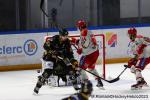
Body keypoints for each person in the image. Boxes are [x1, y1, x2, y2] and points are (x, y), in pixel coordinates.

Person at [33, 29, 80, 94]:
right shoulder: (54, 39)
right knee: (47, 72)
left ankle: (76, 87)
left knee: (71, 69)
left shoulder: (67, 42)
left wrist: (73, 61)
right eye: (64, 36)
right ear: (60, 36)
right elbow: (45, 45)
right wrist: (51, 51)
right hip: (51, 57)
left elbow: (70, 54)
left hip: (62, 58)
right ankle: (37, 87)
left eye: (66, 36)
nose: (66, 37)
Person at [71, 20, 104, 89]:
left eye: (78, 27)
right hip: (95, 53)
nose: (78, 28)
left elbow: (84, 45)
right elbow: (85, 42)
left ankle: (86, 83)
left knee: (80, 68)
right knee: (91, 68)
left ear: (80, 27)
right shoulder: (88, 31)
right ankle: (99, 81)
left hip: (88, 55)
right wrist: (77, 42)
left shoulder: (83, 32)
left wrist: (80, 49)